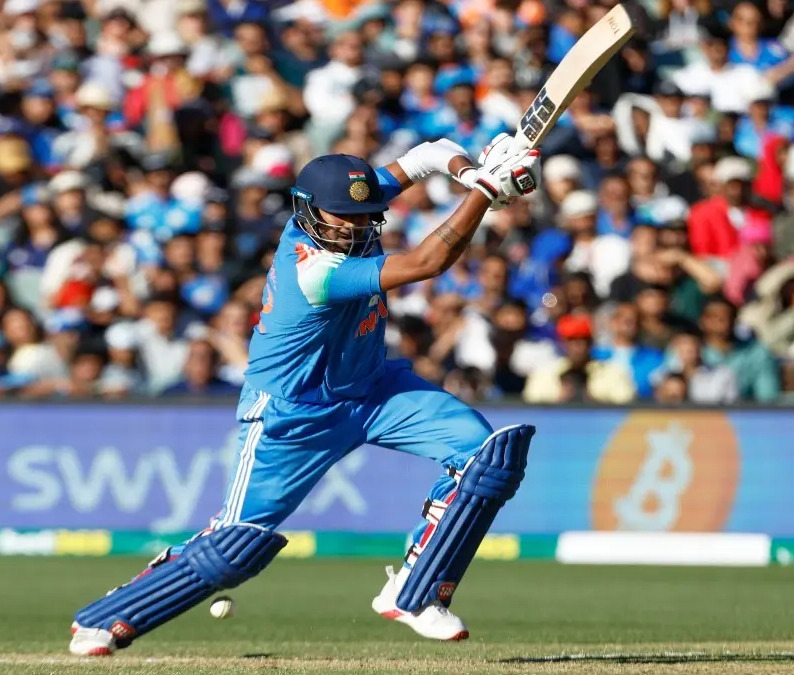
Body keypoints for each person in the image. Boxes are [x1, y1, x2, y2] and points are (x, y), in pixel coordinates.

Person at [68, 132, 542, 655]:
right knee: (234, 549)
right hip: (293, 415)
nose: (355, 226)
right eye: (341, 217)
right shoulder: (313, 268)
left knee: (487, 456)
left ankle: (417, 591)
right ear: (307, 209)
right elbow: (427, 263)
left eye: (364, 217)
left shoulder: (354, 209)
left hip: (373, 390)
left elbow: (428, 153)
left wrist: (468, 171)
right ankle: (108, 617)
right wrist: (483, 193)